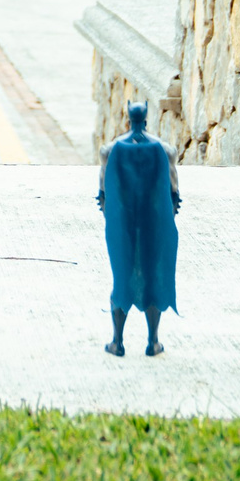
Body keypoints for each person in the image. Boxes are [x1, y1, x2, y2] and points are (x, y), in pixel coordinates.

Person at [97, 100, 179, 357]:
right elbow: (173, 191)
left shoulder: (110, 150)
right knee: (153, 276)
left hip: (123, 223)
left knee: (122, 276)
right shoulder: (165, 150)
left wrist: (110, 217)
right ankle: (153, 342)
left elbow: (103, 192)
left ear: (127, 117)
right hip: (154, 223)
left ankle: (117, 342)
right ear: (146, 119)